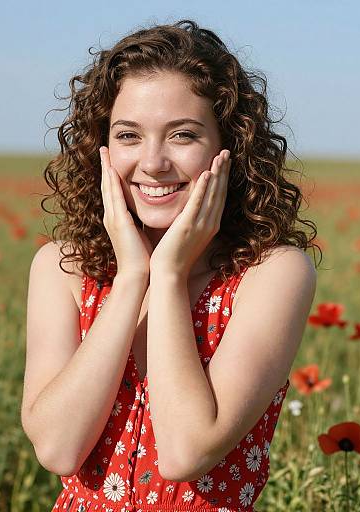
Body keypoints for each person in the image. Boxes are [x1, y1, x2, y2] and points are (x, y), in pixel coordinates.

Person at [21, 19, 321, 511]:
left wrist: (167, 275)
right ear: (101, 148)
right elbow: (58, 448)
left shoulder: (272, 275)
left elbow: (187, 451)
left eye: (182, 135)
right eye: (129, 135)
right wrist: (133, 276)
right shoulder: (63, 268)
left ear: (230, 147)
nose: (154, 162)